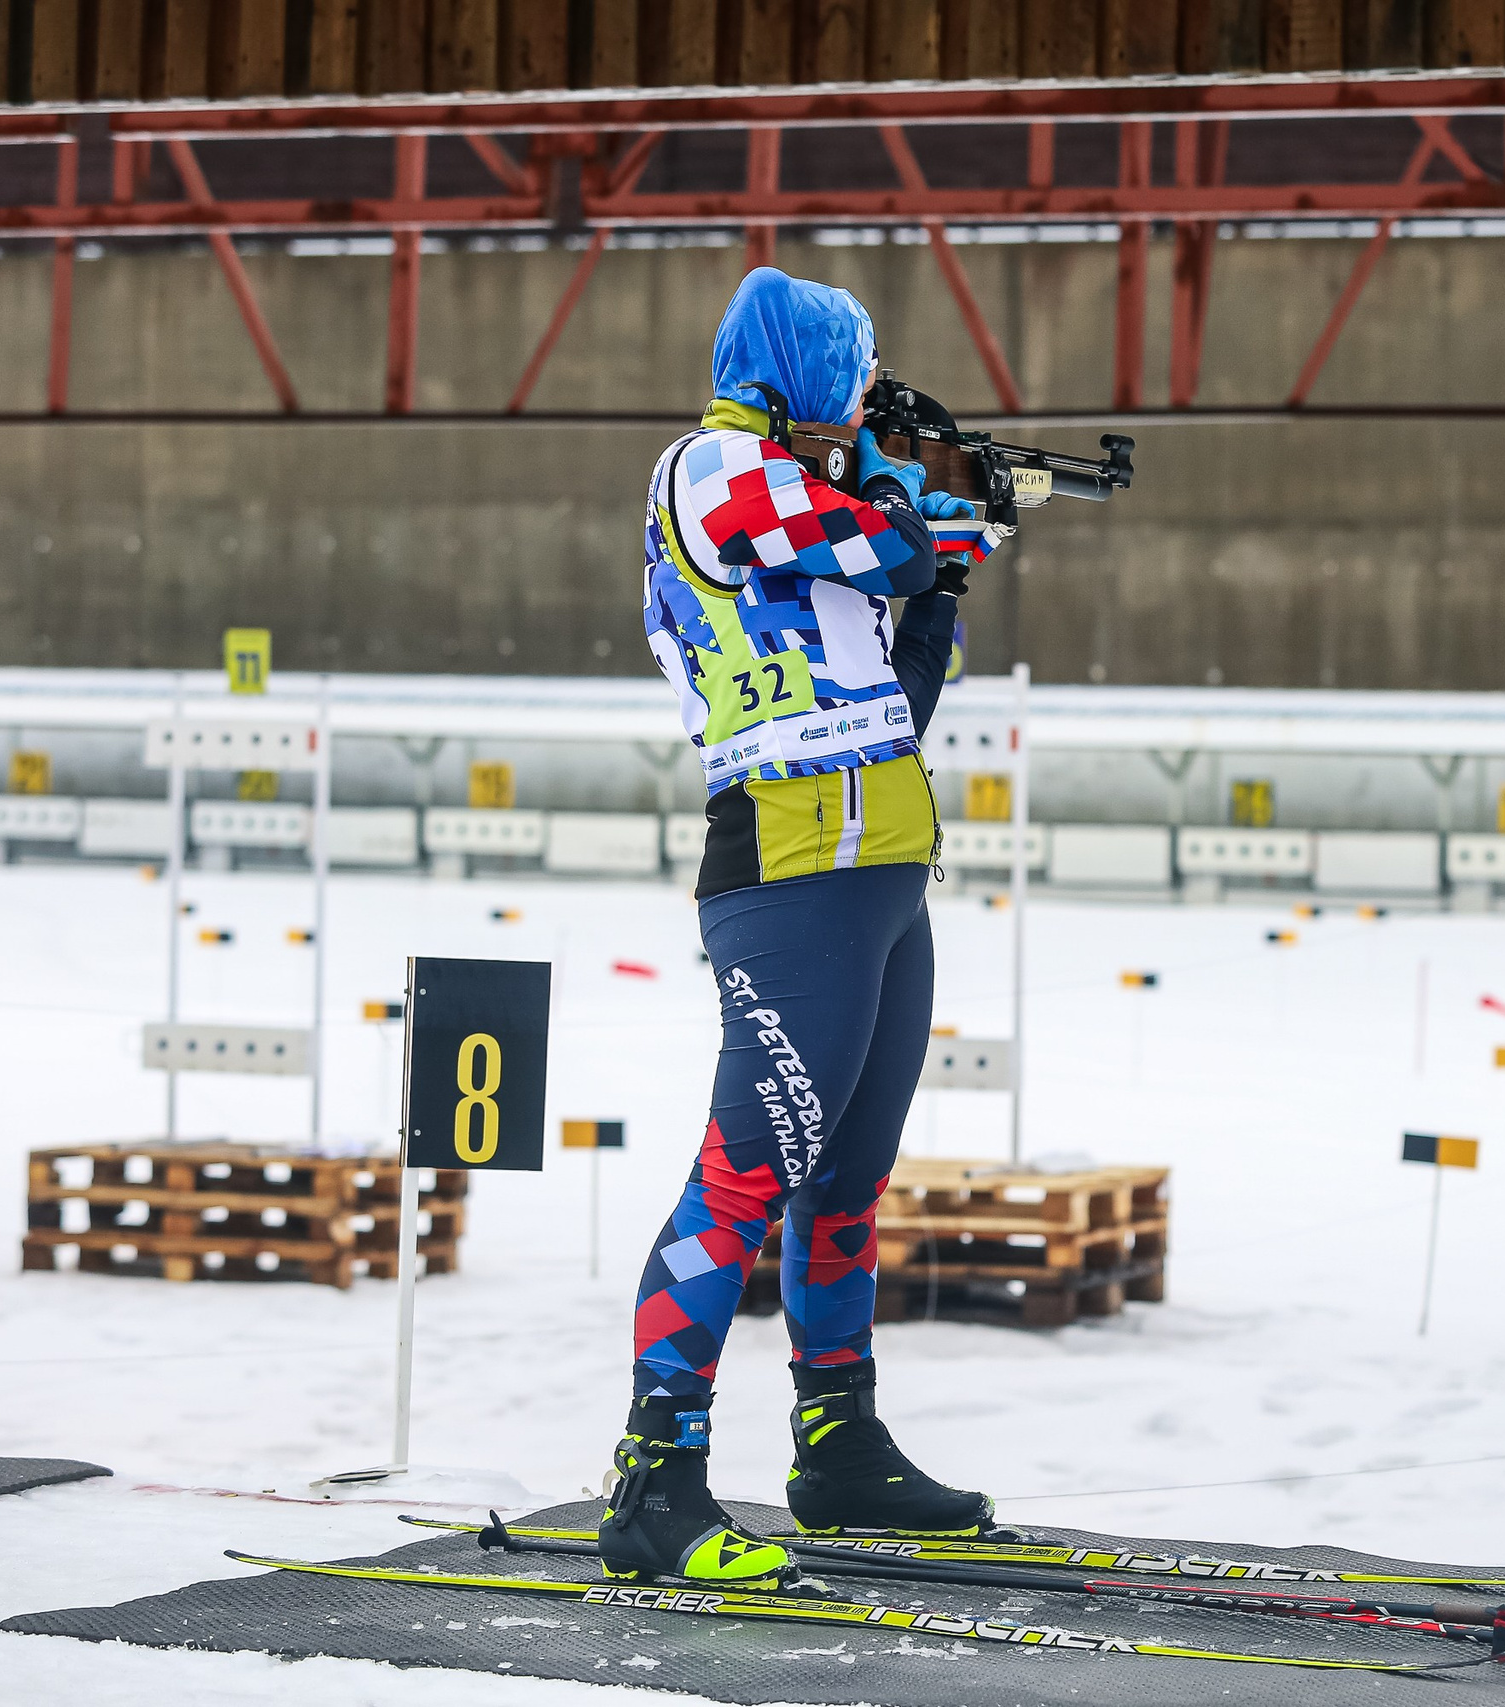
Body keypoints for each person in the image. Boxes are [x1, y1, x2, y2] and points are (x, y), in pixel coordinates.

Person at [599, 268, 991, 1585]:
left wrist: (943, 590)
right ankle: (656, 1477)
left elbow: (899, 698)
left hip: (882, 866)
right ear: (805, 370)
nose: (865, 404)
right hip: (789, 862)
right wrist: (904, 510)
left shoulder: (809, 512)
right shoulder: (713, 470)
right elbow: (886, 546)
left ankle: (838, 1446)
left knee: (848, 1180)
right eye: (855, 378)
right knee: (741, 1179)